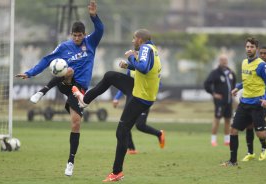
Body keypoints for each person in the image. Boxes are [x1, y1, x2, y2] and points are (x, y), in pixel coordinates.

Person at [15, 0, 104, 176]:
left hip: (80, 90)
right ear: (71, 35)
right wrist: (30, 73)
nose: (77, 38)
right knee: (67, 69)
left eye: (79, 35)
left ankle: (70, 161)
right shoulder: (64, 46)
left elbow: (100, 30)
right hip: (66, 83)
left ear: (84, 35)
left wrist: (94, 17)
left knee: (76, 124)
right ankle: (42, 92)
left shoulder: (91, 42)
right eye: (74, 35)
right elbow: (47, 60)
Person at [72, 29, 165, 182]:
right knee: (110, 76)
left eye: (134, 38)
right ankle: (85, 100)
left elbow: (144, 68)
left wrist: (130, 58)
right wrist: (129, 66)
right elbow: (146, 69)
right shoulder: (152, 49)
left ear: (140, 40)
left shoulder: (145, 48)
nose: (132, 41)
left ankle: (117, 173)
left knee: (121, 132)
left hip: (140, 97)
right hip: (139, 90)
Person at [221, 37, 266, 166]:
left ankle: (261, 142)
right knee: (233, 130)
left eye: (252, 47)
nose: (249, 49)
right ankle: (233, 161)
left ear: (256, 49)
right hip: (244, 104)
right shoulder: (243, 63)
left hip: (257, 105)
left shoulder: (262, 65)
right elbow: (247, 81)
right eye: (247, 47)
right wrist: (237, 87)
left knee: (261, 134)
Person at [112, 69, 164, 154]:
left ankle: (159, 134)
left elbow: (158, 84)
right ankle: (132, 149)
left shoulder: (148, 65)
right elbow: (125, 85)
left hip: (144, 101)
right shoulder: (130, 67)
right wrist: (116, 98)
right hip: (131, 100)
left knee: (140, 125)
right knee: (125, 124)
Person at [242, 46, 266, 161]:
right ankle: (250, 152)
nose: (263, 55)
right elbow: (248, 80)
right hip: (258, 100)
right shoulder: (257, 66)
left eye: (265, 53)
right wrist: (238, 87)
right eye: (261, 53)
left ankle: (263, 148)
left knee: (256, 126)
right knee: (250, 124)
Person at [204, 55, 236, 147]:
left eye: (225, 60)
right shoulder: (215, 73)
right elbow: (206, 84)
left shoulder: (231, 73)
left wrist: (233, 93)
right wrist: (213, 93)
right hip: (219, 101)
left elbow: (233, 85)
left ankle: (227, 140)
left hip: (229, 101)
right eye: (222, 60)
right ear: (219, 61)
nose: (224, 61)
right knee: (217, 119)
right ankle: (213, 140)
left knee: (228, 120)